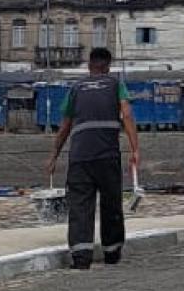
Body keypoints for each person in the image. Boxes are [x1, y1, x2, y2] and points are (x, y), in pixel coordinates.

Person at [45, 47, 142, 269]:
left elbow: (65, 126)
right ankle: (112, 253)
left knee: (80, 206)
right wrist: (135, 149)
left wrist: (53, 156)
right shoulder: (116, 85)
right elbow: (127, 114)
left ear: (89, 66)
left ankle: (81, 257)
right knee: (111, 204)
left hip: (80, 157)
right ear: (108, 67)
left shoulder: (76, 88)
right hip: (108, 156)